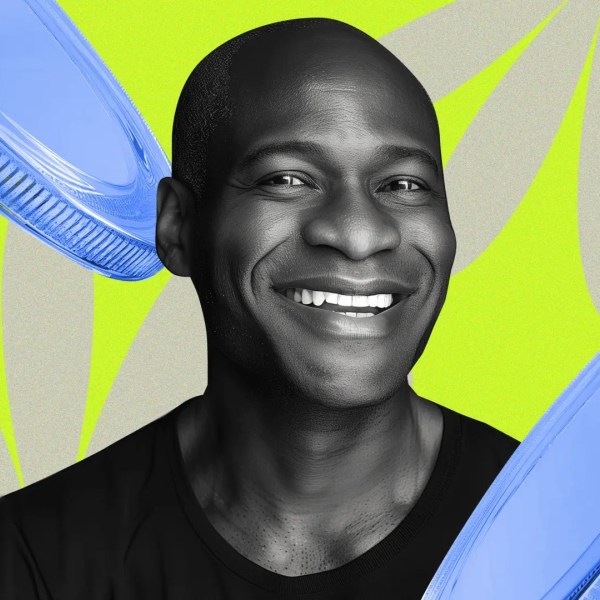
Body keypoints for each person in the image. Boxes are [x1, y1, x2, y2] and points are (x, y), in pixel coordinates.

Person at [0, 18, 518, 599]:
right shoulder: (35, 559)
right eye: (288, 178)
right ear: (177, 226)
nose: (358, 233)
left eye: (403, 185)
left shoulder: (563, 539)